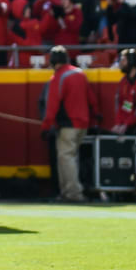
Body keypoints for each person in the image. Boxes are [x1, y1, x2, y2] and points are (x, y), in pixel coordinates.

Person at [40, 45, 94, 203]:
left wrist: (45, 126)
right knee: (71, 157)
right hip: (83, 123)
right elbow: (91, 99)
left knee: (66, 158)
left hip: (68, 125)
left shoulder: (58, 77)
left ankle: (73, 193)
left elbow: (52, 105)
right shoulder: (80, 73)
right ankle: (67, 192)